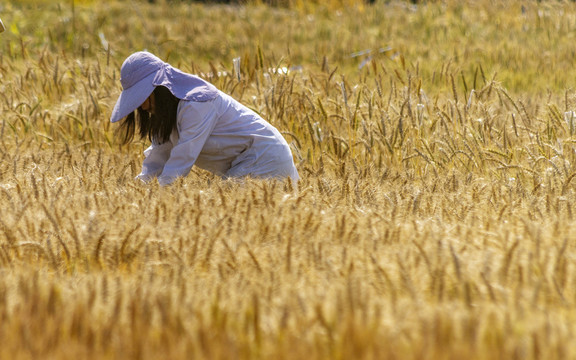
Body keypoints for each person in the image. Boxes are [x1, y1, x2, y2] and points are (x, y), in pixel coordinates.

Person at [110, 51, 299, 186]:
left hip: (265, 157)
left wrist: (155, 197)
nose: (142, 107)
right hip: (245, 161)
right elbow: (158, 157)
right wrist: (137, 189)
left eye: (143, 97)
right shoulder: (166, 115)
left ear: (159, 89)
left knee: (226, 209)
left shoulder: (196, 105)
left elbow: (180, 162)